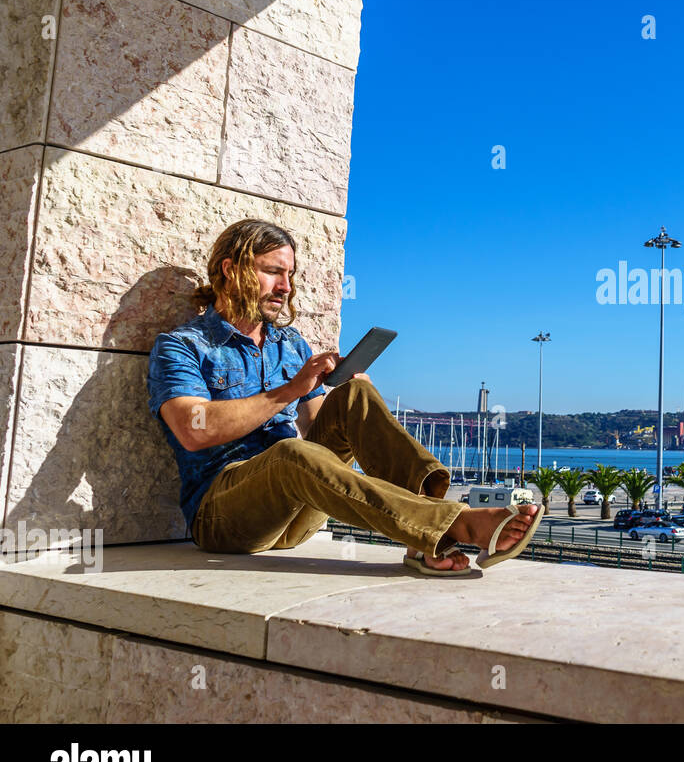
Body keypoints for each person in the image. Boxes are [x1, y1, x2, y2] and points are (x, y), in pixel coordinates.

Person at [147, 219, 543, 576]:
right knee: (291, 454)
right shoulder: (183, 346)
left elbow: (321, 431)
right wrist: (288, 391)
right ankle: (461, 524)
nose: (285, 287)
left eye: (289, 274)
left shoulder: (289, 344)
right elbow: (192, 430)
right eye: (272, 272)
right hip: (225, 519)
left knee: (353, 394)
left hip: (295, 515)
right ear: (231, 270)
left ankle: (423, 537)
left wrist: (355, 396)